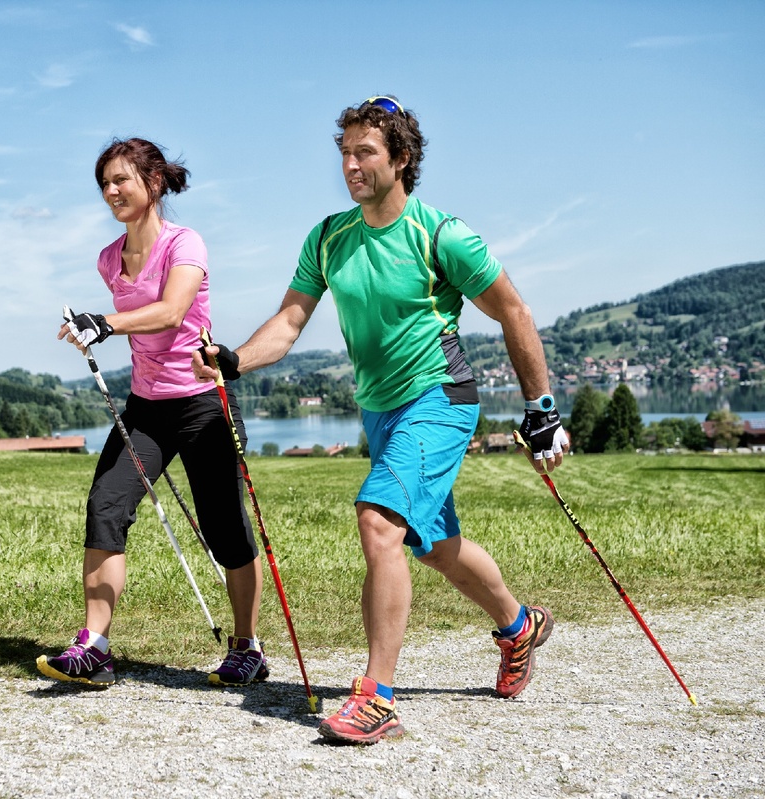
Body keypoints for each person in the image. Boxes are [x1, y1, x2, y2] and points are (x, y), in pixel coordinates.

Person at [194, 96, 570, 744]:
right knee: (434, 545)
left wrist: (540, 410)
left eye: (364, 151)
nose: (349, 164)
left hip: (440, 397)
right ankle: (519, 625)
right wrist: (235, 359)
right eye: (344, 152)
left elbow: (515, 311)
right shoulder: (330, 237)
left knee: (378, 521)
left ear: (401, 158)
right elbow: (289, 322)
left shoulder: (440, 234)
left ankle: (377, 697)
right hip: (381, 410)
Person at [36, 137, 268, 690]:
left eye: (122, 180)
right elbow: (137, 323)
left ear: (154, 183)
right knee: (105, 506)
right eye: (105, 183)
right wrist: (89, 331)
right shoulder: (108, 258)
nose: (111, 191)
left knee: (225, 528)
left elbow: (169, 312)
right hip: (147, 408)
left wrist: (107, 323)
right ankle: (94, 646)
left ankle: (247, 648)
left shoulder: (184, 243)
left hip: (203, 401)